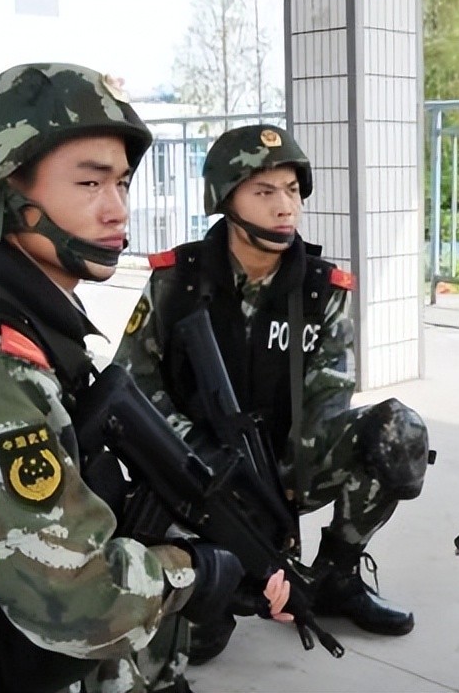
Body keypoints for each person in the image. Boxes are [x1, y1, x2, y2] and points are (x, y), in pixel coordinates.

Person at [0, 63, 291, 693]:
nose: (117, 209)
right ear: (2, 194)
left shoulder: (34, 329)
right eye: (89, 183)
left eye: (123, 183)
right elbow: (81, 599)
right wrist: (199, 571)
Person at [114, 124, 432, 662]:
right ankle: (203, 568)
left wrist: (267, 505)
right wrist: (195, 453)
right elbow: (131, 380)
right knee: (202, 642)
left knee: (398, 432)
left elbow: (327, 402)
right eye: (264, 192)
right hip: (190, 473)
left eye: (291, 190)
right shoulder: (178, 280)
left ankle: (334, 577)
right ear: (225, 200)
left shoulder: (322, 291)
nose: (285, 206)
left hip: (282, 469)